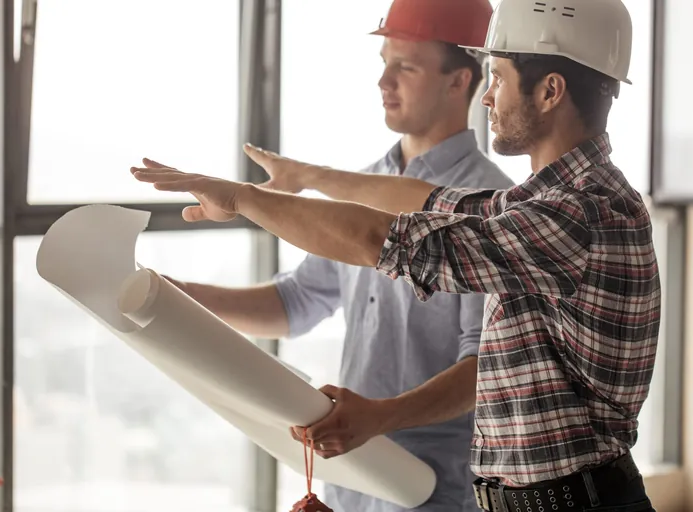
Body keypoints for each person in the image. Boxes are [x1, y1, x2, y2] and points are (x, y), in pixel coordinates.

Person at [131, 0, 661, 510]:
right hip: (515, 497)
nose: (488, 96)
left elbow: (379, 238)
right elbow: (425, 200)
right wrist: (307, 178)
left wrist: (244, 199)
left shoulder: (577, 215)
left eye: (497, 78)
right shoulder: (540, 203)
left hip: (534, 498)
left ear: (549, 91)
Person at [150, 1, 513, 511]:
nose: (383, 81)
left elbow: (486, 367)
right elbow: (297, 301)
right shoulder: (358, 189)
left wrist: (380, 417)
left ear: (459, 81)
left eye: (406, 67)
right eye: (384, 62)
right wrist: (177, 297)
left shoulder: (491, 207)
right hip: (351, 481)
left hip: (432, 489)